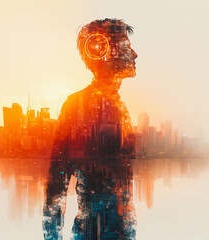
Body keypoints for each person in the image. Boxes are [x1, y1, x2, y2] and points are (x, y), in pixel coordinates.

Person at [43, 19, 138, 240]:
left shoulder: (120, 108)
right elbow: (56, 187)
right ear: (102, 49)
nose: (134, 54)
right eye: (126, 45)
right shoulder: (77, 106)